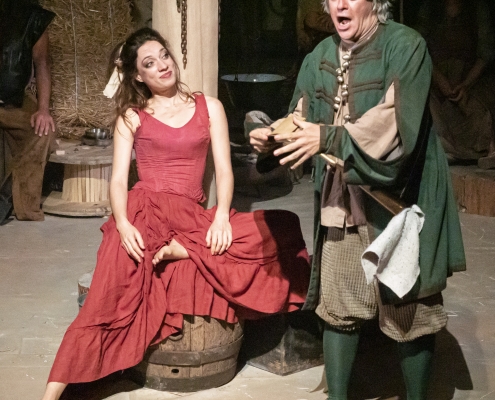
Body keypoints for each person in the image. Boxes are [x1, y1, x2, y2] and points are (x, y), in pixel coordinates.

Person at [41, 27, 310, 400]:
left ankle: (181, 248)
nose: (162, 66)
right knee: (109, 294)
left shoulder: (209, 106)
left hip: (190, 214)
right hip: (144, 209)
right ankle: (52, 394)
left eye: (164, 56)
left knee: (281, 225)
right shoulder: (132, 116)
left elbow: (225, 170)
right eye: (150, 63)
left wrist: (221, 216)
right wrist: (123, 224)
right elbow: (117, 181)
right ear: (139, 76)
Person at [249, 0, 466, 399]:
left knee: (408, 308)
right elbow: (300, 118)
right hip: (342, 200)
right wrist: (271, 137)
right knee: (339, 303)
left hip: (400, 199)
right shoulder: (319, 56)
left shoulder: (405, 46)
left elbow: (393, 126)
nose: (341, 4)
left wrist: (329, 138)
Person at [415, 0, 495, 165]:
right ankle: (444, 149)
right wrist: (440, 80)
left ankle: (483, 150)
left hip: (469, 81)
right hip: (436, 80)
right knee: (425, 105)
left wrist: (465, 84)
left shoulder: (477, 9)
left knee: (478, 110)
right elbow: (419, 48)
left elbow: (485, 54)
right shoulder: (430, 9)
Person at [0, 0, 57, 222]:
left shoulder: (32, 16)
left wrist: (43, 109)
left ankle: (16, 202)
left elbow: (42, 63)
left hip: (13, 100)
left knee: (43, 131)